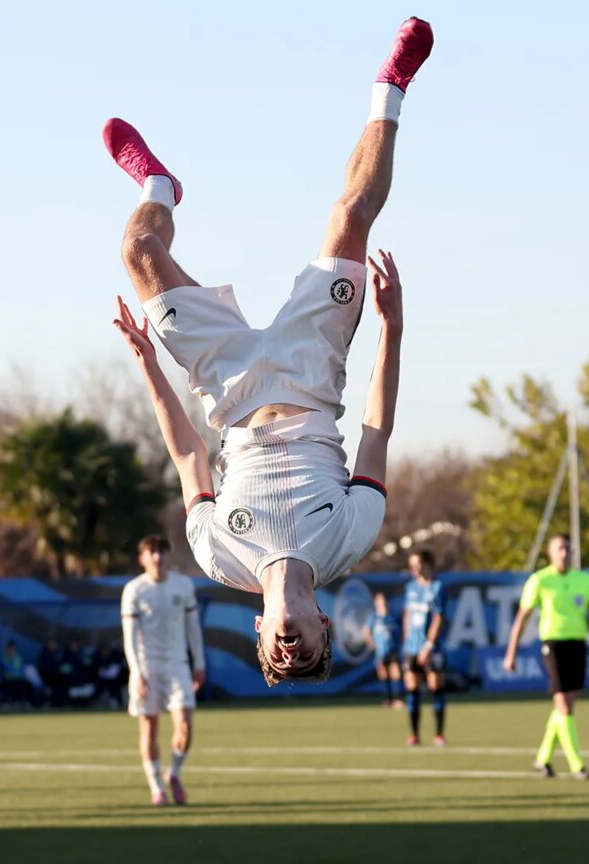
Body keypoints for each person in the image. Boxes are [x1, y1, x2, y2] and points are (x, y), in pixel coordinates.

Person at [106, 17, 429, 687]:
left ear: (258, 632)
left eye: (278, 657)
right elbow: (376, 428)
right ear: (324, 628)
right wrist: (391, 326)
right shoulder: (350, 537)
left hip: (226, 387)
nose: (289, 650)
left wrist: (147, 363)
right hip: (312, 370)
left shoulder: (218, 557)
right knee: (350, 215)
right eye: (304, 652)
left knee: (138, 253)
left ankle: (159, 189)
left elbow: (189, 454)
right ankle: (390, 88)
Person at [503, 534, 589, 781]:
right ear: (550, 552)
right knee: (563, 706)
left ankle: (543, 758)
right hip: (553, 645)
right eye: (560, 548)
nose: (564, 553)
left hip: (577, 644)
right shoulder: (540, 580)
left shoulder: (583, 580)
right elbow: (522, 618)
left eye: (568, 548)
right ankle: (577, 765)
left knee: (566, 706)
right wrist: (511, 653)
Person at [122, 535, 207, 806]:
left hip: (178, 665)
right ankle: (156, 787)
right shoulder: (134, 590)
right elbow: (130, 637)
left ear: (169, 556)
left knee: (184, 726)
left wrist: (199, 663)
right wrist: (137, 673)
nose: (157, 557)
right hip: (147, 668)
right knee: (149, 730)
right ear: (143, 559)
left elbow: (193, 628)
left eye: (162, 552)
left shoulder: (183, 586)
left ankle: (175, 774)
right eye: (152, 553)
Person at [400, 549, 448, 745]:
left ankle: (439, 734)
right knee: (412, 689)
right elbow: (407, 615)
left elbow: (439, 617)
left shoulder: (438, 587)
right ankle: (414, 735)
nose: (413, 568)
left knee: (436, 687)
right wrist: (407, 642)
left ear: (427, 564)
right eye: (411, 564)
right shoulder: (410, 587)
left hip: (432, 648)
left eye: (416, 564)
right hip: (412, 647)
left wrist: (429, 645)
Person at [369, 589, 402, 707]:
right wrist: (372, 643)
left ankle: (397, 699)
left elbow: (402, 631)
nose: (381, 603)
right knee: (384, 675)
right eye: (379, 601)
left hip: (393, 650)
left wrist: (400, 643)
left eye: (383, 600)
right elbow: (366, 632)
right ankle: (387, 700)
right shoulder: (374, 617)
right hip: (380, 652)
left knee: (396, 674)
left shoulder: (393, 615)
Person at [0, 640, 32, 709]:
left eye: (13, 648)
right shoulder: (4, 658)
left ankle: (23, 702)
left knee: (23, 683)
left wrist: (23, 676)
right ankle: (10, 702)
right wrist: (11, 658)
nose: (12, 650)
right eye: (11, 648)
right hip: (9, 679)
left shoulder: (19, 657)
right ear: (7, 649)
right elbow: (6, 669)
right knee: (12, 683)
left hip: (19, 678)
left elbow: (21, 668)